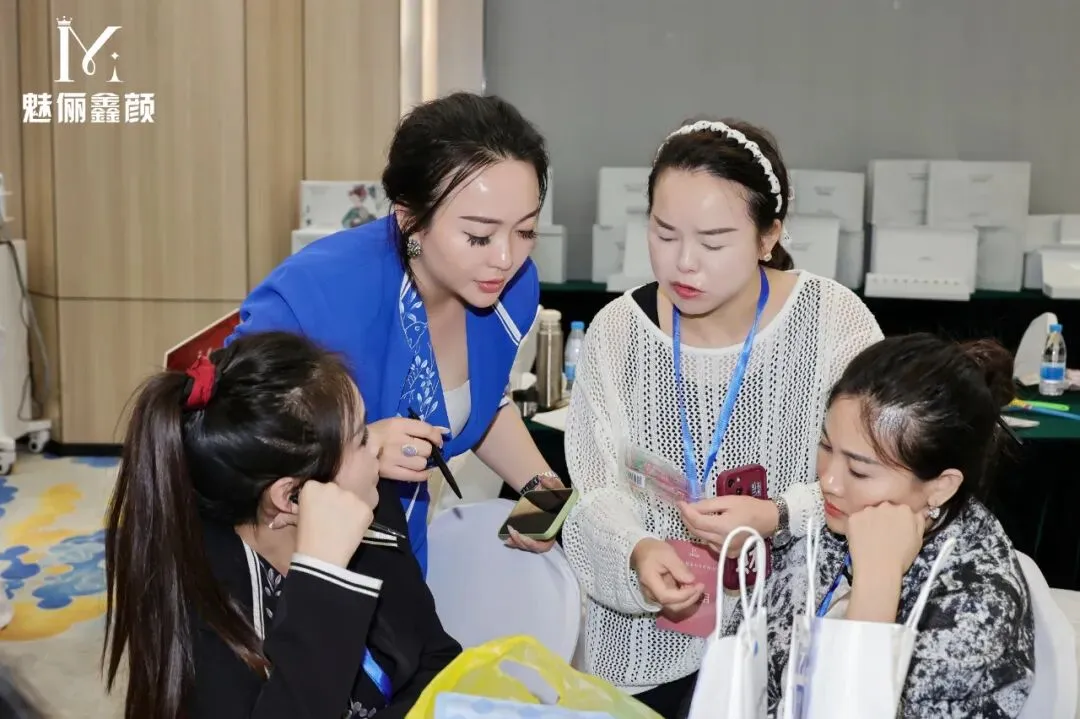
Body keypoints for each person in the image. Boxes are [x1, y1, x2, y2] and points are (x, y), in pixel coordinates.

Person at [560, 117, 882, 717]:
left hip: (786, 649)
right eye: (664, 233)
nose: (684, 263)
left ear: (768, 237)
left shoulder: (832, 323)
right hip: (644, 655)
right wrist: (636, 550)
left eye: (713, 243)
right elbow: (597, 488)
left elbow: (881, 479)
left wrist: (780, 514)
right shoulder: (618, 333)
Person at [230, 92, 565, 572]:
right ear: (410, 220)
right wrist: (355, 447)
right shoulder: (315, 293)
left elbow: (479, 401)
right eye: (478, 236)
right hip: (288, 566)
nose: (506, 258)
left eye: (526, 231)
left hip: (399, 556)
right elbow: (228, 437)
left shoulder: (510, 291)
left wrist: (543, 493)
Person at [102, 332, 461, 719]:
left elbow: (436, 659)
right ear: (290, 497)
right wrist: (322, 578)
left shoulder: (370, 505)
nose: (379, 447)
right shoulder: (210, 623)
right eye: (361, 439)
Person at [762, 334, 1035, 716]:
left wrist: (878, 579)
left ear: (941, 486)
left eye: (859, 470)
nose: (829, 481)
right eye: (826, 447)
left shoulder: (972, 610)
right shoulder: (845, 518)